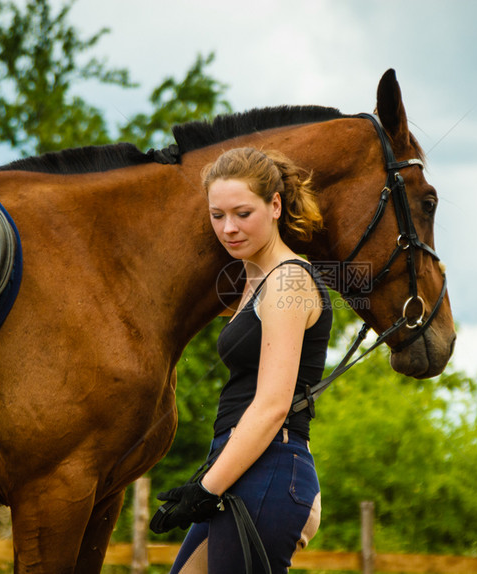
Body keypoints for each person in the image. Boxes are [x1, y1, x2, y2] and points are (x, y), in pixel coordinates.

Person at [150, 147, 333, 573]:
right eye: (217, 216)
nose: (229, 228)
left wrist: (204, 489)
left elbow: (272, 407)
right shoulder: (253, 280)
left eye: (242, 213)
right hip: (242, 468)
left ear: (274, 205)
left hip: (267, 468)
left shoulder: (288, 279)